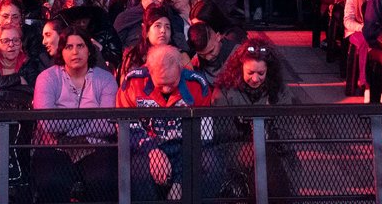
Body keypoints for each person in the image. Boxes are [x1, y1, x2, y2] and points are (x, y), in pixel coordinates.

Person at [116, 44, 220, 201]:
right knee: (138, 170)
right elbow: (125, 127)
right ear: (149, 71)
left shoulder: (198, 86)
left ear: (180, 68)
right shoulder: (132, 83)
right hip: (146, 148)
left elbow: (203, 137)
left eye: (171, 83)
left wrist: (180, 180)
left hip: (186, 148)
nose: (165, 89)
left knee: (211, 163)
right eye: (161, 83)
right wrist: (153, 151)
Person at [31, 28, 119, 203]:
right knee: (52, 181)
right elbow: (48, 124)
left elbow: (109, 124)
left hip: (96, 147)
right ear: (61, 51)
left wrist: (66, 125)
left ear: (89, 49)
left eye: (80, 46)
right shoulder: (47, 78)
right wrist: (92, 115)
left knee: (102, 179)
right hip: (54, 147)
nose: (75, 52)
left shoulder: (106, 79)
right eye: (69, 47)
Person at [212, 38, 294, 198]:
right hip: (234, 149)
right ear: (240, 68)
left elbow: (286, 130)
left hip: (272, 149)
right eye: (250, 73)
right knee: (257, 158)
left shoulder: (279, 91)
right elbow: (219, 131)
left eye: (261, 73)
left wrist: (269, 135)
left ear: (268, 71)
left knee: (266, 158)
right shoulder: (225, 90)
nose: (255, 79)